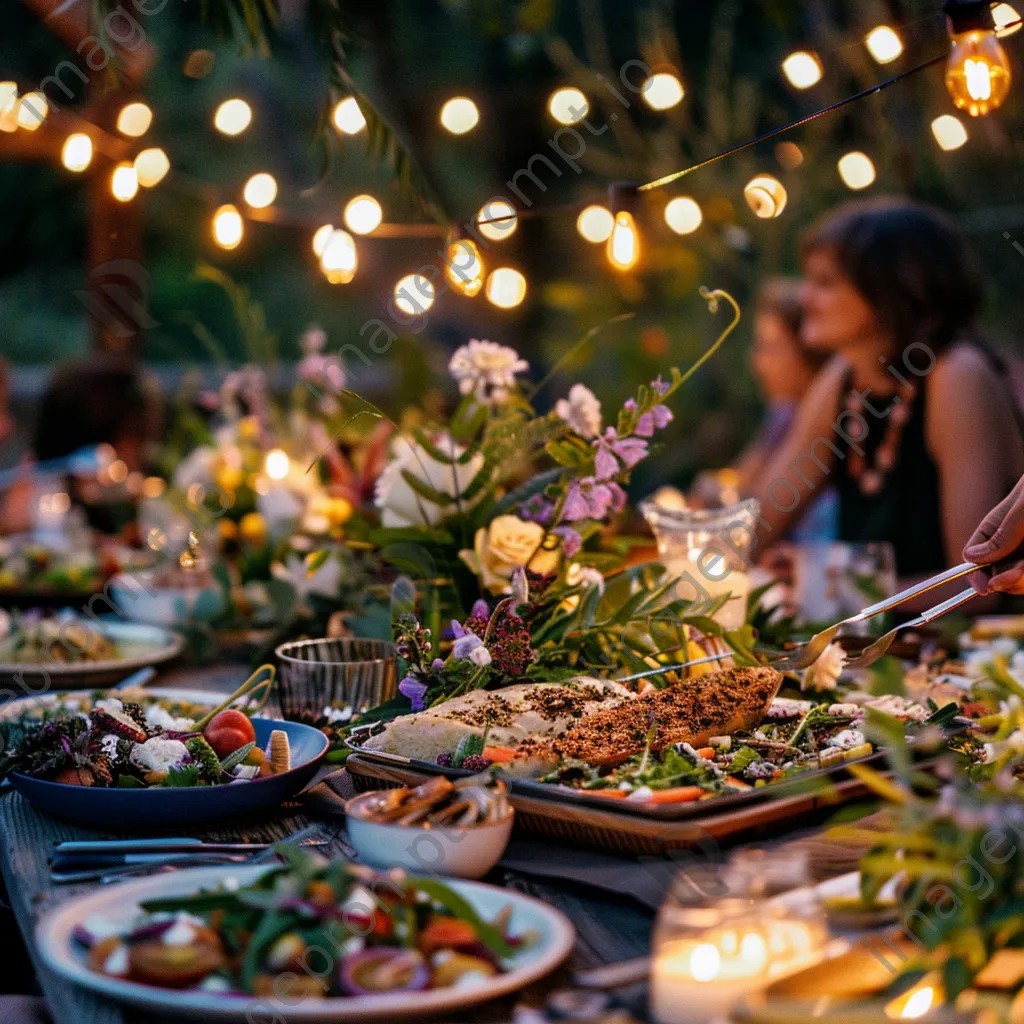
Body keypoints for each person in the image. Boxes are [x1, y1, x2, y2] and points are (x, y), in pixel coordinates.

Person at [753, 197, 1024, 585]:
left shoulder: (956, 375)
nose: (806, 299)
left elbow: (976, 581)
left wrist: (826, 586)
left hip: (979, 643)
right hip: (881, 641)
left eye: (825, 283)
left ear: (890, 291)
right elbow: (761, 523)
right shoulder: (844, 379)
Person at [733, 277, 837, 542]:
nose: (757, 362)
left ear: (810, 350)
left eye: (770, 348)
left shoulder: (843, 422)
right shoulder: (782, 415)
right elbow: (743, 485)